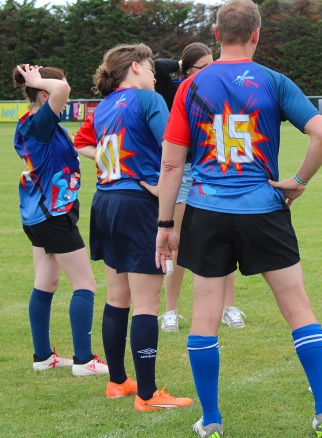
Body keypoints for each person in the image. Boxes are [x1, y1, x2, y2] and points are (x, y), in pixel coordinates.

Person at [155, 0, 322, 437]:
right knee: (298, 310)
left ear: (216, 35)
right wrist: (297, 180)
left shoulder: (190, 87)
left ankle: (213, 420)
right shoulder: (273, 81)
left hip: (207, 211)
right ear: (257, 34)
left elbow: (170, 165)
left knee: (203, 316)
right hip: (263, 209)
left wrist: (165, 225)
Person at [73, 44, 192, 411]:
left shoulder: (104, 105)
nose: (156, 74)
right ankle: (148, 394)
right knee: (145, 301)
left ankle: (118, 382)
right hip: (136, 205)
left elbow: (85, 144)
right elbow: (173, 147)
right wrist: (159, 185)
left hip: (105, 202)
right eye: (152, 67)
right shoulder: (148, 99)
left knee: (116, 296)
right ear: (136, 67)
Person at [13, 64, 107, 377]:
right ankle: (84, 360)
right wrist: (42, 80)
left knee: (46, 281)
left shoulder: (35, 122)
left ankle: (43, 356)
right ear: (44, 93)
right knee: (86, 284)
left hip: (39, 213)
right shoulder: (40, 121)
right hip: (52, 214)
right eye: (56, 89)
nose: (66, 96)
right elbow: (62, 91)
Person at [153, 44, 247, 333]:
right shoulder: (177, 88)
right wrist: (181, 63)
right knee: (176, 241)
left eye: (212, 65)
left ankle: (229, 308)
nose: (209, 71)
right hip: (183, 172)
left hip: (214, 171)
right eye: (201, 67)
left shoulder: (221, 88)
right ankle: (170, 311)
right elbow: (156, 67)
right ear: (186, 70)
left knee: (224, 239)